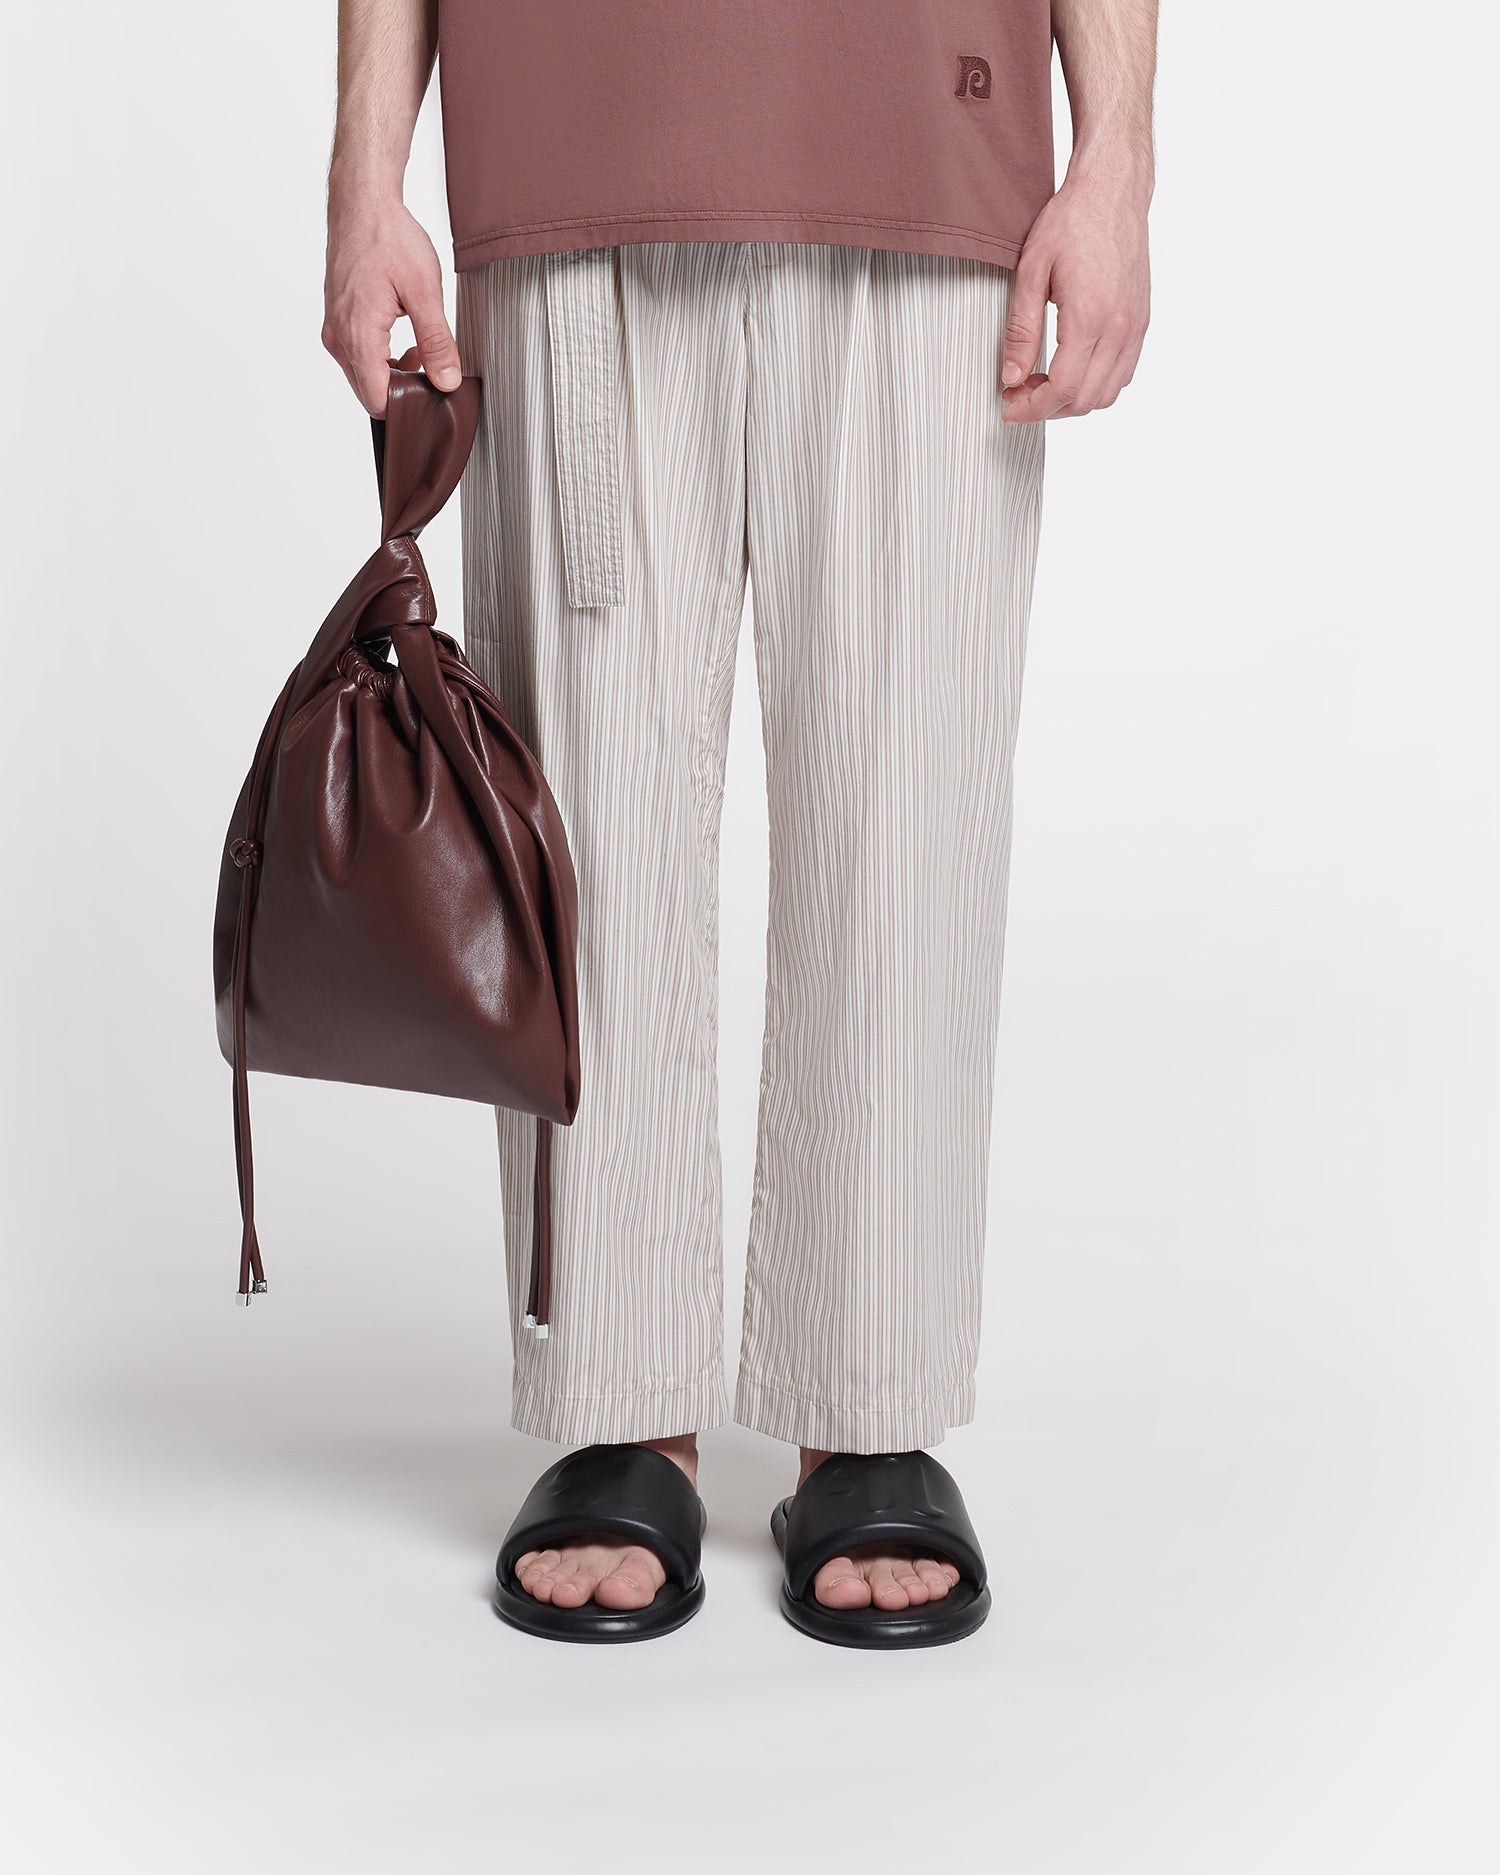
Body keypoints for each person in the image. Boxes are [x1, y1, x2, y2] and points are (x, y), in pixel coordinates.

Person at [323, 0, 1155, 1648]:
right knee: (583, 832)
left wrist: (1117, 160)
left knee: (908, 811)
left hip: (933, 161)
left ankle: (870, 1395)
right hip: (573, 151)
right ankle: (616, 1398)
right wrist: (364, 173)